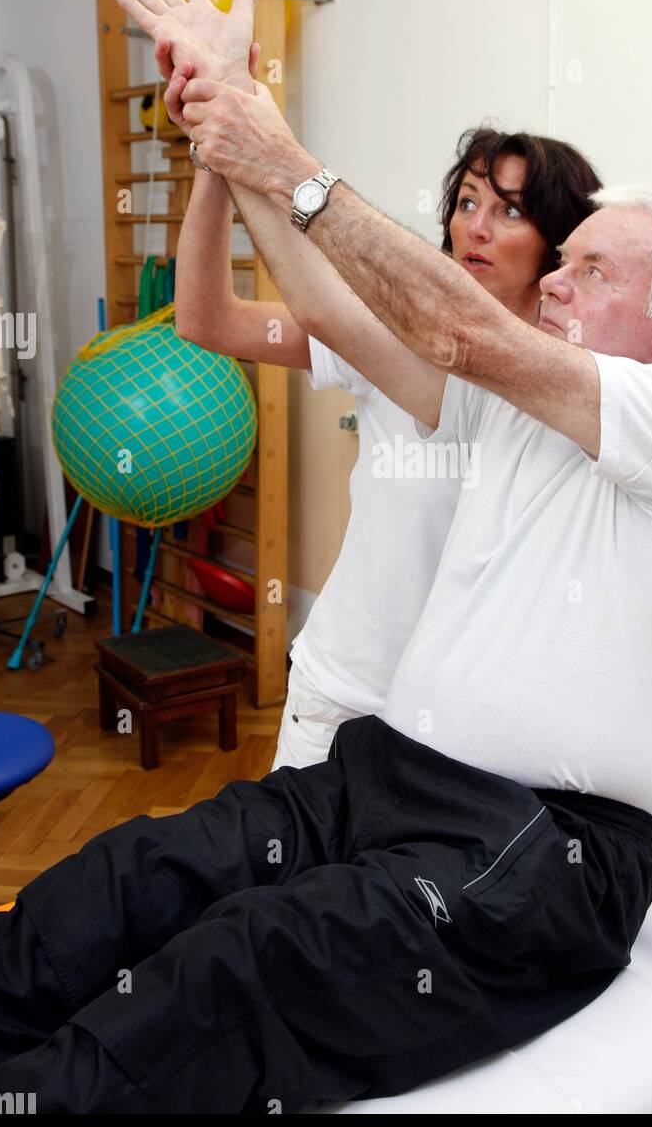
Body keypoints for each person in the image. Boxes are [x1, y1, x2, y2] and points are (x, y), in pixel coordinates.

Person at [0, 0, 652, 1114]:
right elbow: (326, 303)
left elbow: (450, 326)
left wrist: (272, 148)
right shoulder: (498, 402)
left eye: (587, 269)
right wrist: (226, 116)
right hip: (382, 773)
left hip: (541, 851)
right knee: (127, 878)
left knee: (228, 971)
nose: (550, 285)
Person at [172, 85, 601, 770]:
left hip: (461, 728)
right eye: (466, 203)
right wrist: (212, 159)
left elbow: (326, 307)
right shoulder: (389, 337)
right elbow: (206, 320)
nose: (477, 228)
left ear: (558, 242)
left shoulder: (569, 385)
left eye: (510, 211)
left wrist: (250, 149)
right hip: (339, 693)